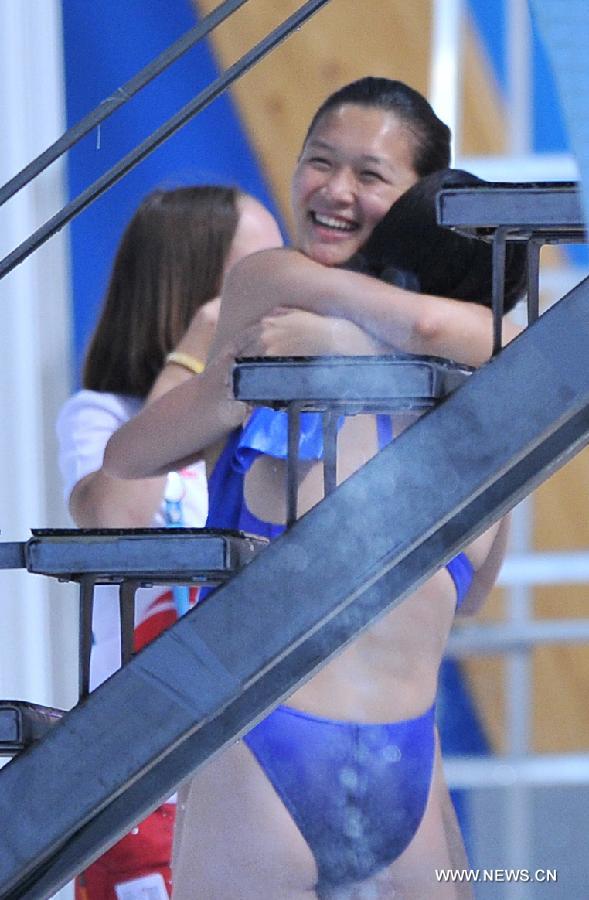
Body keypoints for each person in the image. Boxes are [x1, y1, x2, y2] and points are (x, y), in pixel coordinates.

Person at [105, 79, 523, 899]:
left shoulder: (476, 371)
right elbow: (126, 460)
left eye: (368, 175)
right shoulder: (275, 289)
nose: (333, 191)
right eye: (318, 162)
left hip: (378, 762)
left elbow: (442, 331)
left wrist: (349, 346)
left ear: (425, 200)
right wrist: (237, 376)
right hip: (294, 755)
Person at [56, 185, 282, 899]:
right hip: (142, 760)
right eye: (259, 271)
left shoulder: (272, 425)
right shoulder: (104, 415)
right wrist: (191, 361)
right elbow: (116, 519)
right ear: (190, 288)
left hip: (252, 746)